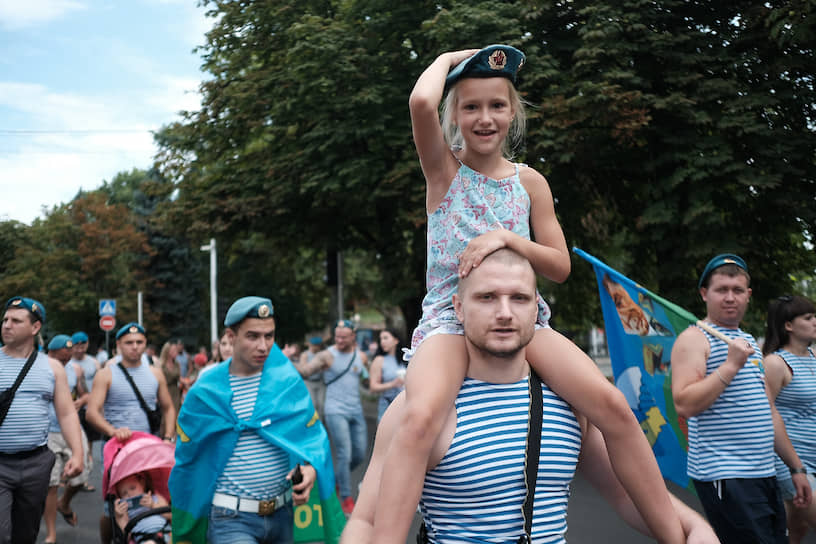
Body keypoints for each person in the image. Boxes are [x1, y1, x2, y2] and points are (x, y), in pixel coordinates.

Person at [372, 44, 685, 543]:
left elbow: (559, 266)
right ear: (454, 115)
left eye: (496, 105)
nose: (484, 117)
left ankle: (675, 534)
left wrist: (508, 239)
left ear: (512, 112)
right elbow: (418, 103)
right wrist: (451, 57)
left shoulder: (530, 183)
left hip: (523, 320)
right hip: (450, 324)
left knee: (612, 407)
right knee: (421, 417)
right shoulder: (444, 171)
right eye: (470, 106)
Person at [342, 249, 718, 543]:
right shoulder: (422, 409)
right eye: (487, 297)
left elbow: (627, 492)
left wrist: (692, 527)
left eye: (519, 298)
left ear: (536, 307)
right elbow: (367, 521)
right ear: (458, 307)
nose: (504, 312)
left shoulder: (567, 400)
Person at [169, 296, 342, 544]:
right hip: (230, 519)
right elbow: (188, 460)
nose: (263, 346)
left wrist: (310, 468)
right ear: (231, 336)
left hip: (284, 515)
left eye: (269, 336)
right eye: (252, 336)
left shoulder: (287, 382)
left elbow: (310, 438)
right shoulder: (205, 392)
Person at [671, 254, 812, 543]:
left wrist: (796, 467)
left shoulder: (748, 342)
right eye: (721, 290)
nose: (730, 297)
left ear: (748, 296)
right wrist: (730, 365)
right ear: (704, 294)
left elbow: (767, 410)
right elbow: (684, 403)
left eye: (737, 290)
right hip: (726, 475)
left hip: (764, 471)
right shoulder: (695, 338)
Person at [0, 297, 84, 543]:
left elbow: (67, 413)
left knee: (25, 534)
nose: (6, 325)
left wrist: (77, 454)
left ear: (35, 328)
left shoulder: (52, 367)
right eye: (5, 319)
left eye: (16, 320)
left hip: (36, 463)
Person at [294, 320, 369, 515]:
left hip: (356, 410)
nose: (339, 340)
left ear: (353, 336)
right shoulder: (326, 356)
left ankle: (337, 480)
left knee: (359, 454)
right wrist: (286, 360)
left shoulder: (360, 356)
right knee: (344, 453)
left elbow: (366, 379)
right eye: (337, 336)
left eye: (344, 337)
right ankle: (346, 497)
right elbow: (305, 371)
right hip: (335, 410)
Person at [762, 294, 816, 543]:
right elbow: (764, 413)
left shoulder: (814, 358)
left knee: (796, 531)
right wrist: (795, 467)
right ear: (788, 326)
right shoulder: (776, 363)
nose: (815, 321)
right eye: (808, 317)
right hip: (792, 462)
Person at [42, 334, 92, 544]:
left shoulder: (75, 370)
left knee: (83, 474)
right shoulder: (39, 368)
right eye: (62, 358)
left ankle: (65, 503)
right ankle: (51, 534)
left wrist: (80, 402)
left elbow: (86, 394)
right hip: (48, 430)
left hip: (71, 428)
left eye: (68, 358)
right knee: (51, 484)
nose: (65, 362)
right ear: (50, 353)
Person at [71, 330, 101, 489]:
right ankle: (70, 474)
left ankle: (84, 478)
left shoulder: (94, 363)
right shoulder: (67, 361)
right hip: (72, 408)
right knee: (72, 440)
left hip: (90, 406)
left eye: (83, 345)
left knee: (87, 442)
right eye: (77, 346)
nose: (80, 349)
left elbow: (100, 385)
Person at [112, 472, 171, 544]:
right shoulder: (125, 511)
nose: (129, 494)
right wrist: (120, 516)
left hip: (165, 532)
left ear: (143, 484)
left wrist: (153, 505)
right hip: (144, 538)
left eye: (133, 488)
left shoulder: (155, 498)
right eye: (124, 493)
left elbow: (170, 515)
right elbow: (126, 536)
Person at [367, 328, 406, 421]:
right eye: (381, 339)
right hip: (388, 405)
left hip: (406, 406)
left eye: (385, 338)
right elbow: (373, 387)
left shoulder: (406, 359)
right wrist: (392, 384)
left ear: (396, 340)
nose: (382, 342)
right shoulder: (379, 360)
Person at [299, 336, 326, 417]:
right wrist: (315, 368)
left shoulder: (321, 354)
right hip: (309, 382)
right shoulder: (305, 355)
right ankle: (312, 423)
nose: (316, 347)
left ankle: (320, 422)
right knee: (313, 403)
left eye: (318, 345)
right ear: (310, 345)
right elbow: (303, 369)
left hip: (320, 382)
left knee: (321, 404)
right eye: (314, 345)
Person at [157, 341, 182, 415]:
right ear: (167, 351)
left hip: (175, 392)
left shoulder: (177, 364)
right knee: (164, 414)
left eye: (176, 350)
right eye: (173, 350)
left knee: (175, 413)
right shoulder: (160, 364)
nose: (176, 352)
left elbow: (179, 378)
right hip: (164, 391)